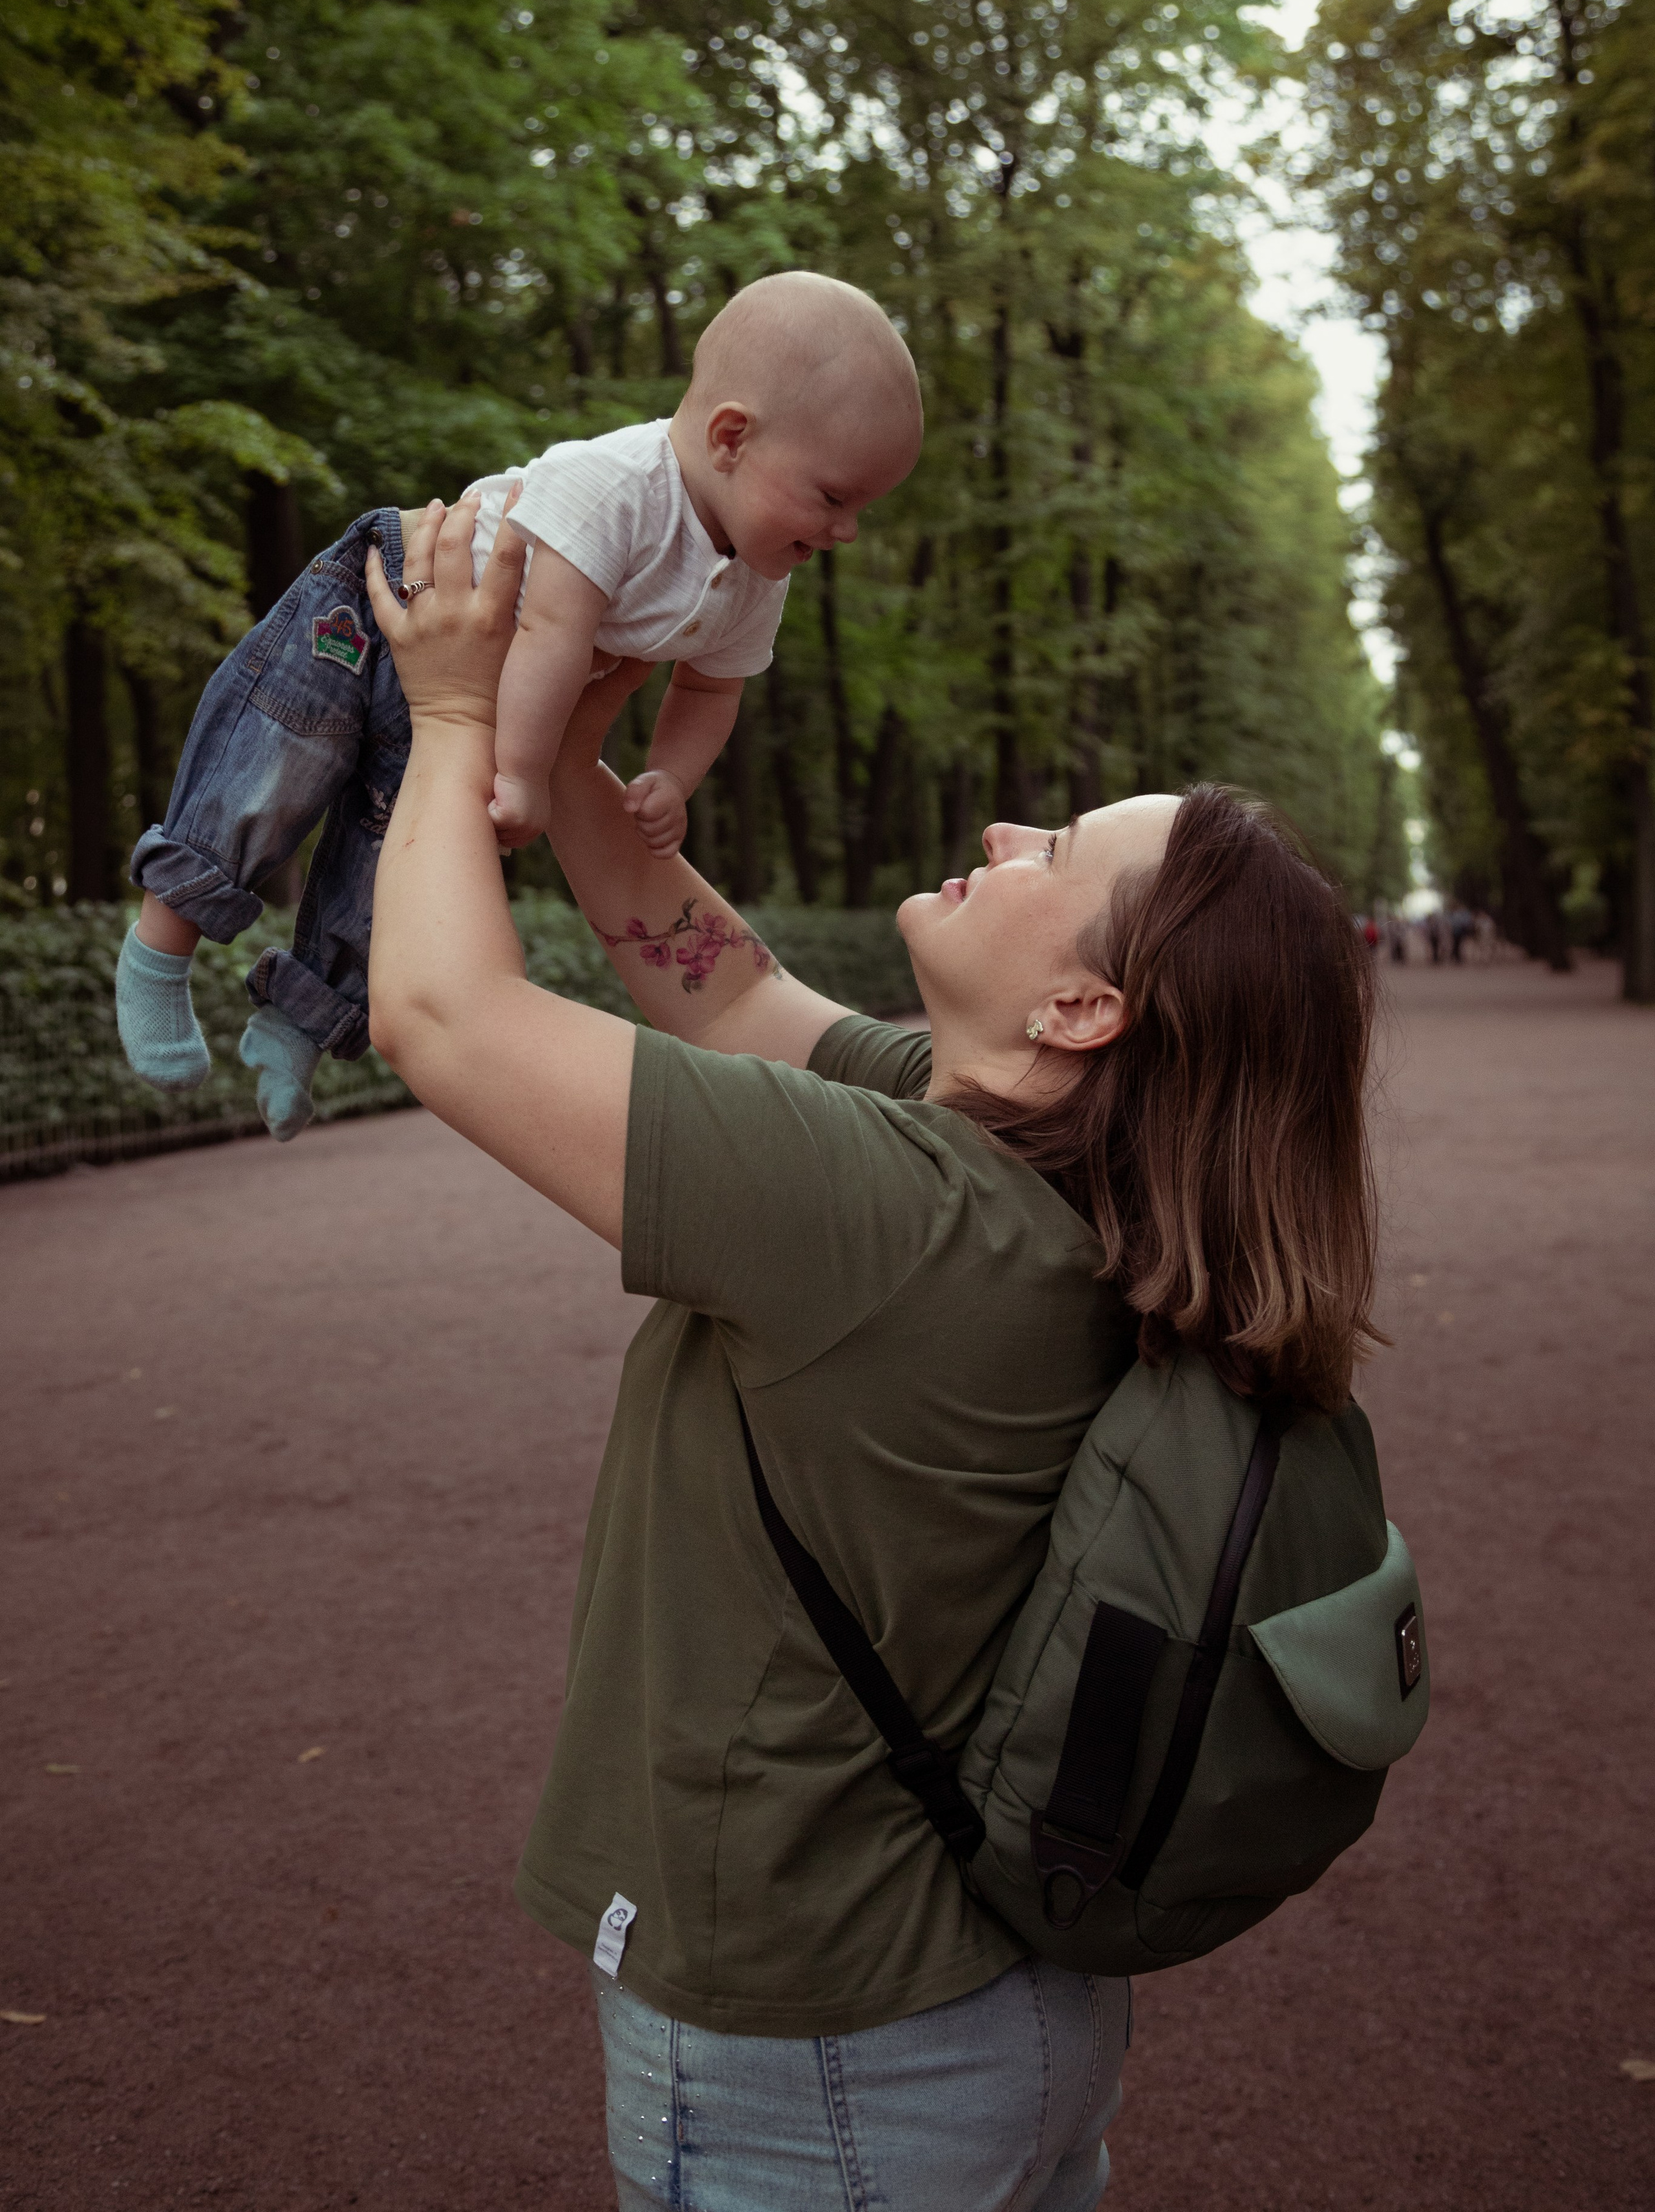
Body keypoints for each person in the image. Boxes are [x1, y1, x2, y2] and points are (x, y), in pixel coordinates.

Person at [361, 500, 1383, 2212]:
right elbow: (712, 983)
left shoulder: (887, 1210)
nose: (1005, 824)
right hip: (1005, 2009)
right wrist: (585, 727)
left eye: (1057, 851)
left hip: (816, 2045)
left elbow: (441, 1017)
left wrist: (459, 709)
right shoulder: (1059, 1183)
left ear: (1084, 1013)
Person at [113, 271, 923, 1141]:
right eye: (834, 498)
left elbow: (711, 688)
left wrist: (671, 778)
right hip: (395, 596)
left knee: (403, 854)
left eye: (864, 509)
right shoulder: (617, 486)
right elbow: (549, 632)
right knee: (279, 756)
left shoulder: (757, 581)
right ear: (731, 437)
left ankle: (298, 1021)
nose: (846, 533)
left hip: (474, 695)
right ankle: (162, 946)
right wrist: (527, 775)